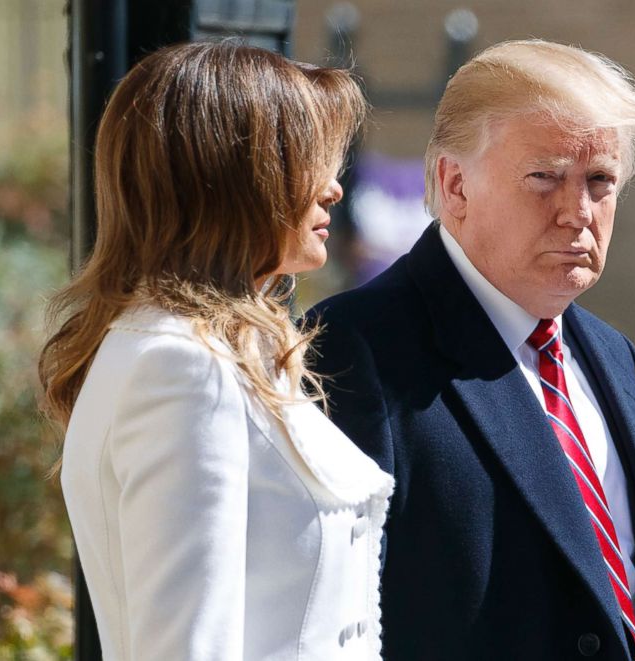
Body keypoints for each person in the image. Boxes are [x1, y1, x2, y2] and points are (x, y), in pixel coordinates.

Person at [309, 40, 635, 660]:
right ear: (455, 184)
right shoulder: (351, 348)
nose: (577, 212)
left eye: (599, 180)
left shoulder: (614, 357)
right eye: (543, 177)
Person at [39, 41, 392, 660]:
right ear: (234, 174)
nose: (335, 188)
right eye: (307, 157)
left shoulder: (201, 351)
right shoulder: (182, 368)